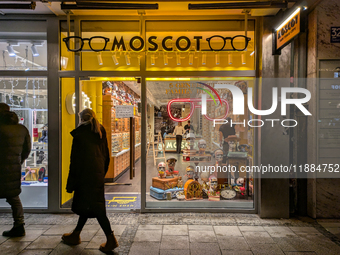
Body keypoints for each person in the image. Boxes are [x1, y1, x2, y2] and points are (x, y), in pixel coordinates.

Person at [63, 108, 118, 253]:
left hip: (84, 176)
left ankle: (111, 239)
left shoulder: (80, 135)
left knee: (96, 208)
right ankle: (76, 234)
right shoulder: (100, 132)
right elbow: (106, 155)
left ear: (81, 119)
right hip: (96, 174)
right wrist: (101, 173)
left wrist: (71, 183)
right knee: (88, 204)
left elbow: (74, 162)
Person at [0, 103, 31, 237]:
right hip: (13, 167)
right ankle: (19, 225)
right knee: (14, 198)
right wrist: (19, 161)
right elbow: (27, 149)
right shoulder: (21, 129)